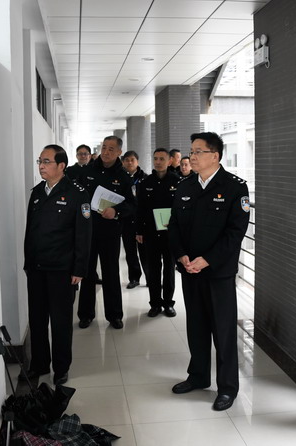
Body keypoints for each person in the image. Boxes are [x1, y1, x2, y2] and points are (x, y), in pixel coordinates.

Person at [168, 132, 250, 411]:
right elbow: (174, 225)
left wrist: (208, 260)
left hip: (218, 272)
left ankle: (227, 387)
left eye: (198, 151)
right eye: (191, 151)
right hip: (190, 269)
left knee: (223, 331)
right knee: (196, 326)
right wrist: (181, 255)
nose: (192, 156)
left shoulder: (235, 187)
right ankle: (198, 376)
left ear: (215, 156)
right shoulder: (185, 185)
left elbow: (235, 232)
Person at [22, 144, 92, 385]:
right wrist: (28, 262)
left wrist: (79, 269)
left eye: (46, 161)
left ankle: (61, 367)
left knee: (61, 322)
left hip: (62, 270)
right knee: (37, 319)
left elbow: (84, 234)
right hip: (37, 268)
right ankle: (39, 363)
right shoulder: (37, 192)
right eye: (39, 161)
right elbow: (31, 231)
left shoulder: (77, 193)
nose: (41, 166)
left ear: (61, 165)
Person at [77, 136, 135, 329]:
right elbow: (78, 198)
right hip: (88, 231)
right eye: (104, 147)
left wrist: (116, 211)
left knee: (111, 273)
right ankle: (86, 314)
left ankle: (114, 315)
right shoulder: (87, 171)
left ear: (119, 152)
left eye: (111, 149)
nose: (106, 152)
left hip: (110, 231)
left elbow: (132, 205)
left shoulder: (124, 176)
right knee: (87, 272)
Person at [136, 148, 180, 317]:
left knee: (169, 269)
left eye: (162, 159)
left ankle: (168, 303)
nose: (158, 162)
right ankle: (155, 304)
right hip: (151, 233)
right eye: (156, 158)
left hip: (170, 233)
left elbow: (181, 209)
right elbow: (140, 209)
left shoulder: (177, 182)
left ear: (169, 161)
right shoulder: (145, 183)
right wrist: (139, 231)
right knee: (153, 270)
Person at [121, 150, 148, 289]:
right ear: (123, 162)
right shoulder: (120, 178)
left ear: (137, 161)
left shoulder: (145, 178)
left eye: (132, 160)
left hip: (142, 221)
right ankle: (134, 278)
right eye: (127, 160)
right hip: (126, 221)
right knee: (130, 252)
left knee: (146, 252)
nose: (129, 162)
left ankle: (150, 278)